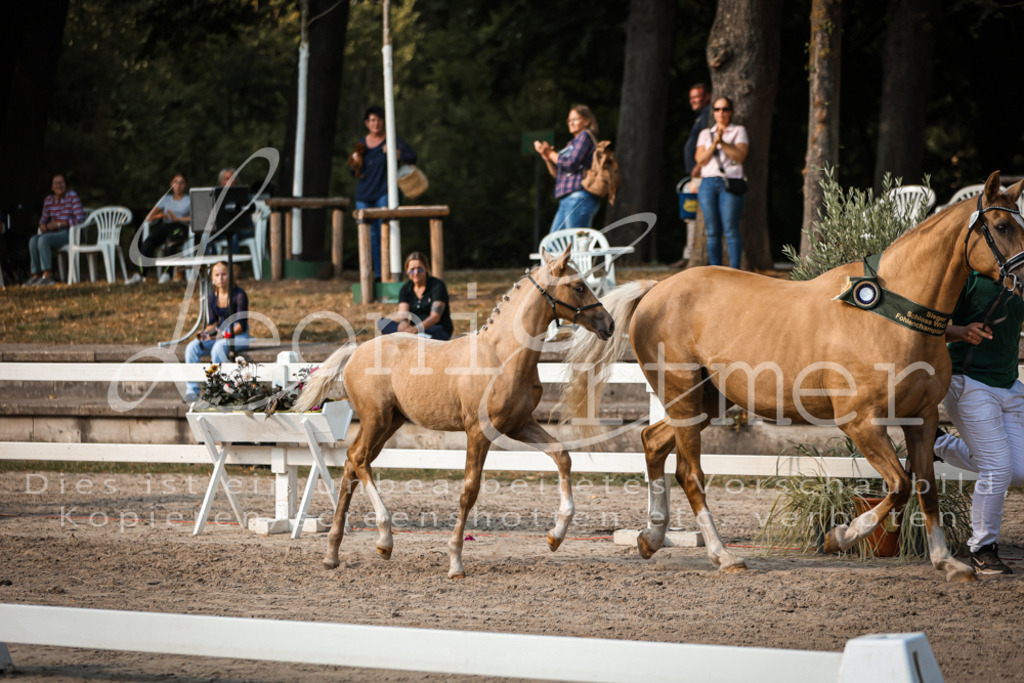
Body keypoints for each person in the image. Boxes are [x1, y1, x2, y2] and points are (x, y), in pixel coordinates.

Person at [933, 271, 1024, 575]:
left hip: (1009, 385)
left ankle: (938, 444)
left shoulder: (1020, 279)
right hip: (968, 382)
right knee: (998, 467)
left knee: (1018, 469)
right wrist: (960, 332)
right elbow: (927, 327)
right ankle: (983, 550)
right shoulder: (968, 279)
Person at [351, 106, 417, 279]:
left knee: (385, 232)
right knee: (369, 236)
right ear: (367, 123)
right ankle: (375, 274)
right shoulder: (360, 145)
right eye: (373, 120)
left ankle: (390, 272)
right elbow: (352, 172)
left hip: (384, 192)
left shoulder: (392, 140)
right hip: (364, 195)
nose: (376, 123)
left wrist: (397, 154)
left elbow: (412, 156)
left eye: (379, 120)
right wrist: (355, 162)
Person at [184, 260, 251, 402]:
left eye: (224, 274)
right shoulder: (212, 297)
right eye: (217, 275)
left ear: (230, 276)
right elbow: (213, 323)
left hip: (239, 335)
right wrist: (206, 334)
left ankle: (216, 389)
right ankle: (192, 390)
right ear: (212, 278)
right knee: (192, 347)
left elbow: (241, 326)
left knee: (218, 347)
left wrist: (221, 336)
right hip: (220, 334)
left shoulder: (239, 295)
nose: (220, 278)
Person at [694, 96, 748, 269]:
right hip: (708, 183)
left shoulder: (738, 131)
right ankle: (715, 270)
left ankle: (735, 270)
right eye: (717, 109)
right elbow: (700, 159)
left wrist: (722, 142)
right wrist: (713, 145)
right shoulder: (705, 133)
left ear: (731, 112)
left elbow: (739, 156)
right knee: (712, 231)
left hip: (730, 183)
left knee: (731, 229)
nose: (721, 113)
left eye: (725, 109)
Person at [534, 104, 602, 234]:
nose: (571, 123)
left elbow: (570, 163)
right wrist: (547, 157)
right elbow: (558, 174)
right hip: (567, 200)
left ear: (587, 121)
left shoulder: (585, 136)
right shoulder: (571, 144)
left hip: (579, 197)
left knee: (576, 245)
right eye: (569, 120)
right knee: (553, 244)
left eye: (575, 119)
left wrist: (551, 153)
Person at [376, 251, 453, 340]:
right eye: (412, 270)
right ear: (407, 270)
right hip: (412, 330)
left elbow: (435, 317)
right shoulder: (405, 288)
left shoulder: (437, 286)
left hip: (434, 328)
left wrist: (415, 329)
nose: (416, 273)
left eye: (420, 269)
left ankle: (410, 337)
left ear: (426, 268)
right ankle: (409, 337)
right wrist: (404, 323)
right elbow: (403, 314)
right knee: (382, 322)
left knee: (436, 330)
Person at [131, 172, 191, 284]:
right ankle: (140, 274)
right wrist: (161, 215)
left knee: (171, 241)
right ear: (171, 184)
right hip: (166, 226)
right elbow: (149, 217)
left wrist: (177, 219)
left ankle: (166, 274)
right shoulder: (166, 199)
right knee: (149, 241)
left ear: (185, 185)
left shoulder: (189, 200)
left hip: (181, 227)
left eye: (182, 182)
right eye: (176, 182)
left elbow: (195, 218)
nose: (178, 185)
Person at [27, 173, 85, 286]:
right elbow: (42, 220)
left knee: (44, 240)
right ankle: (36, 275)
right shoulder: (49, 200)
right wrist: (43, 225)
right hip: (53, 234)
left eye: (61, 182)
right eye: (56, 183)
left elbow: (80, 219)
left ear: (66, 185)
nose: (59, 185)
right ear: (51, 187)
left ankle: (47, 276)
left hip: (70, 233)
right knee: (33, 240)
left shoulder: (72, 196)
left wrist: (59, 224)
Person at [683, 83, 712, 177]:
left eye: (696, 97)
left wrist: (699, 165)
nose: (692, 101)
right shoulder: (701, 115)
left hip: (701, 170)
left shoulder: (707, 115)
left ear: (707, 96)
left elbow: (708, 141)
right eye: (691, 98)